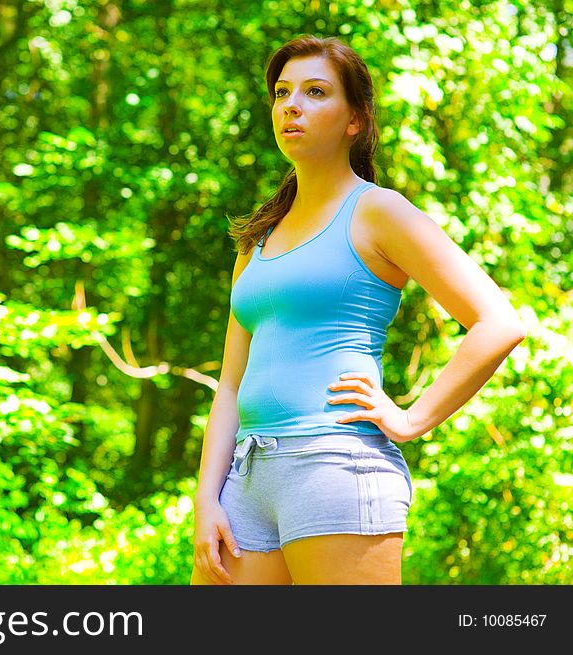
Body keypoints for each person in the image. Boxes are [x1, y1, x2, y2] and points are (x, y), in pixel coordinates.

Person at [190, 35, 527, 585]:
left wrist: (411, 418)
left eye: (315, 92)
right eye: (281, 93)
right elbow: (230, 384)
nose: (291, 105)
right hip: (247, 479)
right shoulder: (257, 237)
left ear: (355, 120)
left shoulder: (378, 212)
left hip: (336, 467)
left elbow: (499, 323)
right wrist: (207, 498)